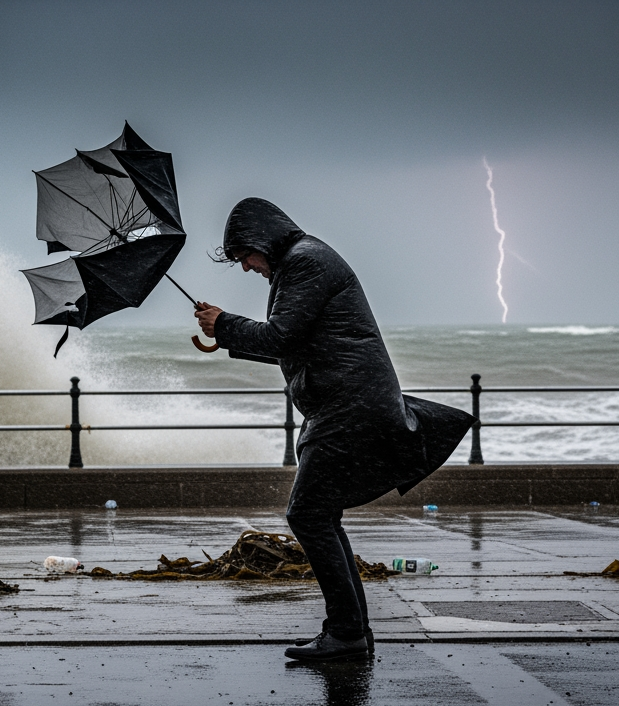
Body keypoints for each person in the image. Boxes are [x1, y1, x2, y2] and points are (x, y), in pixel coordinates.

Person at [195, 197, 475, 662]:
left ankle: (346, 633)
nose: (245, 266)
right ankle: (350, 632)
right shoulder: (305, 260)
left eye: (244, 255)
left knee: (307, 515)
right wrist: (224, 336)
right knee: (318, 514)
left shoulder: (305, 262)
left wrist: (225, 323)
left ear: (262, 240)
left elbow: (281, 335)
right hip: (348, 405)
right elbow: (297, 341)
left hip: (349, 407)